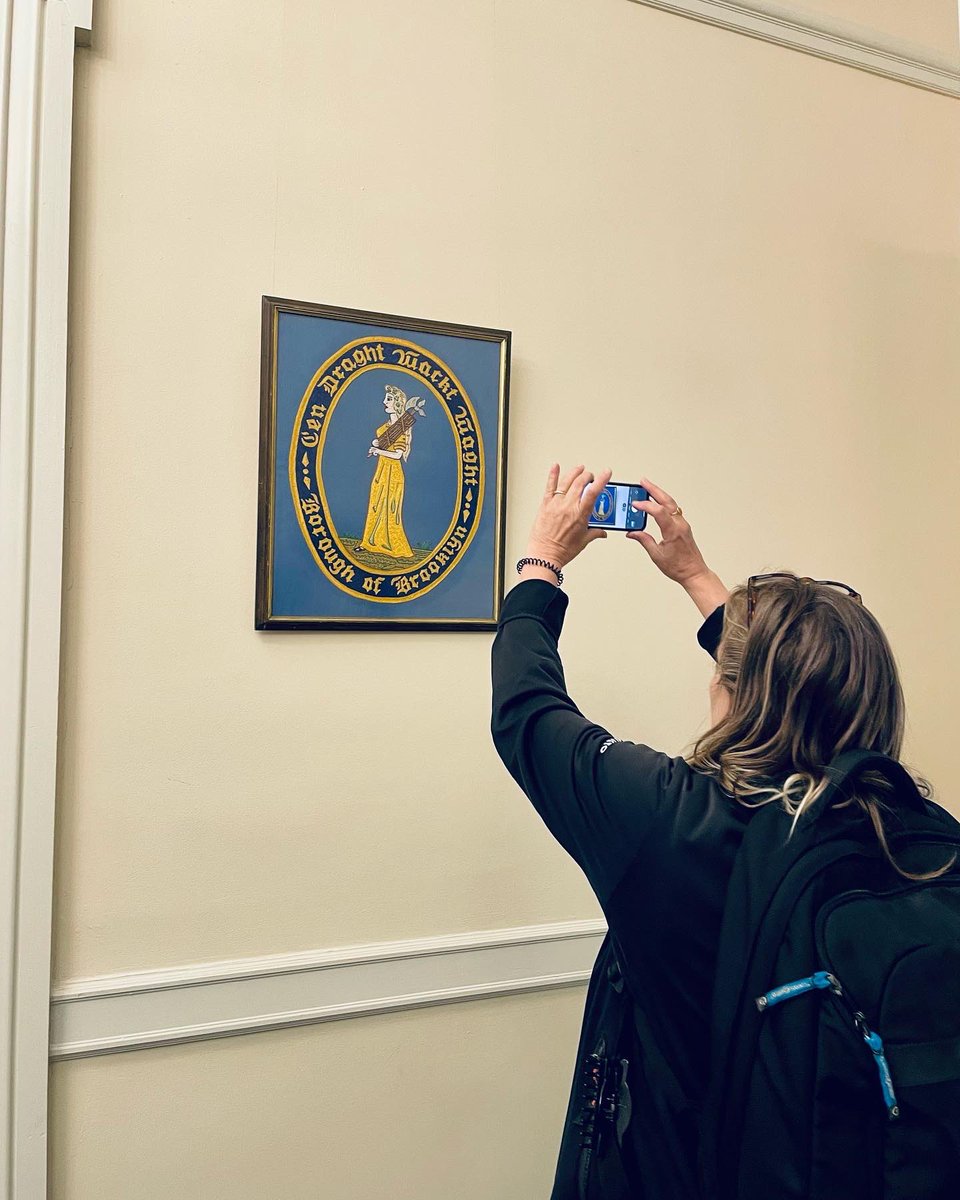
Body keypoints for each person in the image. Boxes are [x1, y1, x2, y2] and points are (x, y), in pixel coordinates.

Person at [490, 464, 948, 1199]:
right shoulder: (913, 832)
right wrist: (695, 574)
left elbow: (527, 710)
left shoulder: (670, 823)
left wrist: (540, 563)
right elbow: (795, 686)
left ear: (728, 691)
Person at [357, 384, 416, 559]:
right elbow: (382, 444)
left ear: (397, 402)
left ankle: (395, 546)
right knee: (375, 504)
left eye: (389, 399)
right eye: (386, 398)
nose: (384, 402)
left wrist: (378, 450)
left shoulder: (402, 426)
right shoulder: (383, 428)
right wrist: (376, 445)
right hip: (381, 472)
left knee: (390, 508)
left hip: (394, 474)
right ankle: (368, 542)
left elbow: (398, 455)